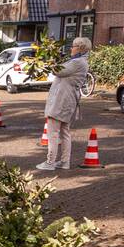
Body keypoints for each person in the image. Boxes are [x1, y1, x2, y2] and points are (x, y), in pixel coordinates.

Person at [36, 37, 91, 171]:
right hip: (68, 100)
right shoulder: (79, 62)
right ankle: (64, 162)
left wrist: (51, 58)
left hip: (61, 101)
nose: (71, 49)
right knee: (64, 132)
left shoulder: (77, 62)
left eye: (73, 46)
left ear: (80, 48)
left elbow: (57, 70)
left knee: (53, 132)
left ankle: (50, 162)